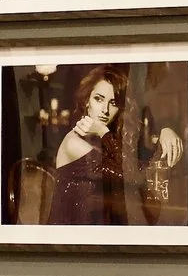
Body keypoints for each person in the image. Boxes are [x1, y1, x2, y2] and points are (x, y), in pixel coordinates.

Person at [47, 66, 132, 225]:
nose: (105, 110)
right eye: (98, 99)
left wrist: (165, 131)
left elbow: (135, 167)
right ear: (87, 101)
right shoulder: (74, 142)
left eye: (113, 103)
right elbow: (126, 177)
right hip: (68, 238)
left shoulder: (104, 140)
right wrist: (102, 129)